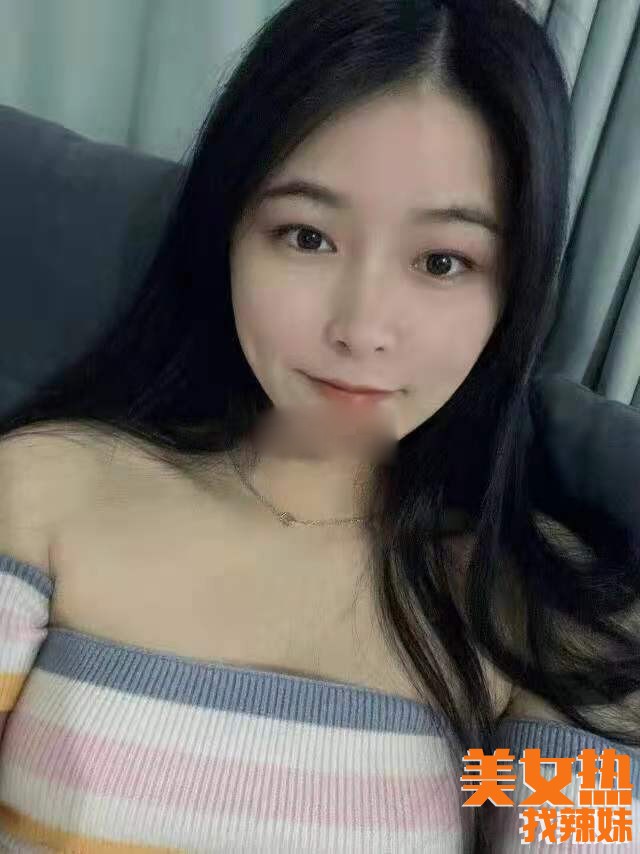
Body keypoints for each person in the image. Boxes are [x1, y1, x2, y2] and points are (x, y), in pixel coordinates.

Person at [0, 0, 639, 851]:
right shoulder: (41, 491)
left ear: (514, 291)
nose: (361, 327)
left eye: (441, 261)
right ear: (228, 232)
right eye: (307, 237)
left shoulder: (561, 622)